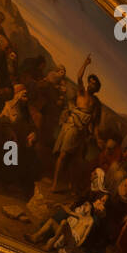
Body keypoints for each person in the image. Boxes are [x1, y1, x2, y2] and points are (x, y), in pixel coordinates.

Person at [51, 54, 102, 193]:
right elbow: (79, 77)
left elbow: (96, 123)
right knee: (63, 155)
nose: (91, 85)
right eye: (90, 82)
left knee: (75, 160)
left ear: (97, 88)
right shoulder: (81, 92)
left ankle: (70, 185)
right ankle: (55, 184)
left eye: (94, 84)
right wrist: (85, 63)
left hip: (82, 133)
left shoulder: (96, 104)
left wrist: (97, 138)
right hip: (73, 127)